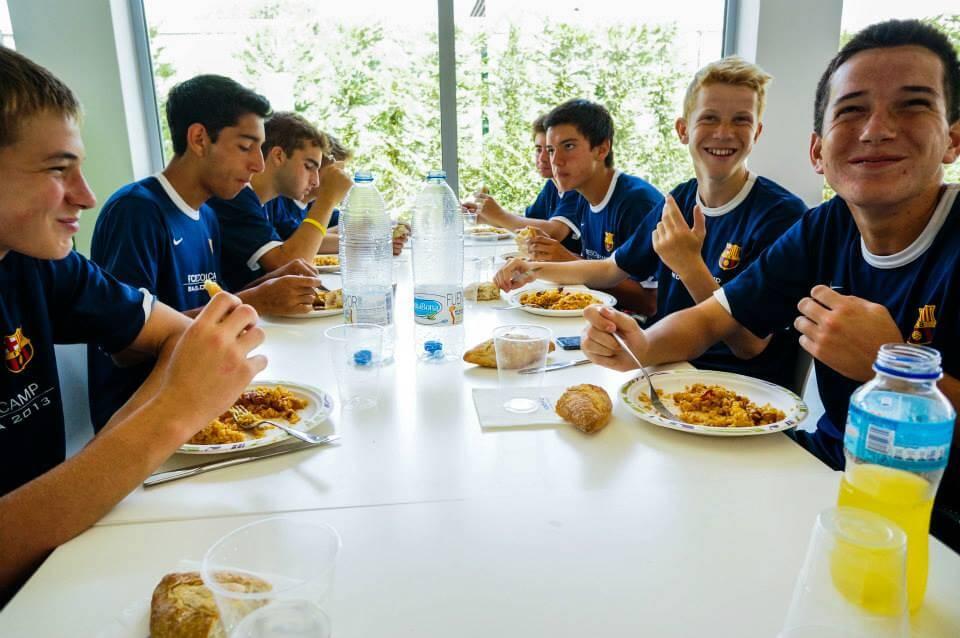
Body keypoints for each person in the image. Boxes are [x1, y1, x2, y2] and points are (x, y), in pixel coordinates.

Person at [581, 20, 960, 548]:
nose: (877, 129)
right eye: (851, 110)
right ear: (817, 151)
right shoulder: (825, 226)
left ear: (953, 139)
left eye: (913, 105)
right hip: (827, 474)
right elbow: (716, 315)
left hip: (936, 522)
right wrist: (641, 345)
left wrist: (895, 370)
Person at [0, 48, 266, 600]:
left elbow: (179, 335)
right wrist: (171, 412)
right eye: (57, 169)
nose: (86, 196)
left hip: (61, 559)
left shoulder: (36, 262)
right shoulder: (133, 212)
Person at [497, 57, 807, 388]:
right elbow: (610, 269)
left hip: (736, 392)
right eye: (710, 118)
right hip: (662, 370)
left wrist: (690, 267)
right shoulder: (680, 200)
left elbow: (748, 345)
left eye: (741, 120)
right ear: (683, 130)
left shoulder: (781, 215)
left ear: (757, 132)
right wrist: (533, 270)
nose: (724, 133)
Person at [88, 83, 324, 430]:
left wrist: (271, 282)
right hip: (141, 418)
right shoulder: (136, 213)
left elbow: (215, 302)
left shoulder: (208, 216)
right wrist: (254, 301)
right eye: (246, 147)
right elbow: (125, 349)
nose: (258, 165)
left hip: (203, 399)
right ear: (199, 139)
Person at [497, 100, 663, 315]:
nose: (555, 160)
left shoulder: (637, 203)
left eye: (569, 146)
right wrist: (534, 265)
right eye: (550, 150)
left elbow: (650, 303)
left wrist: (564, 258)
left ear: (602, 148)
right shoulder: (582, 195)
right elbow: (590, 269)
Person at [210, 112, 353, 291]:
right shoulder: (233, 198)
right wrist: (327, 199)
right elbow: (289, 267)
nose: (316, 181)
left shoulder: (268, 202)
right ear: (278, 156)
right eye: (309, 167)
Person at [264, 136, 410, 256]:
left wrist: (390, 226)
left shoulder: (312, 205)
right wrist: (375, 242)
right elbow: (305, 241)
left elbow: (349, 225)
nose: (342, 178)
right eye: (337, 172)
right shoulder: (279, 202)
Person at [463, 114, 582, 257]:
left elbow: (554, 232)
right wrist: (484, 216)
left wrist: (499, 215)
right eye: (538, 149)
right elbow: (527, 224)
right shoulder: (552, 185)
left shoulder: (576, 187)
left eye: (550, 150)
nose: (542, 158)